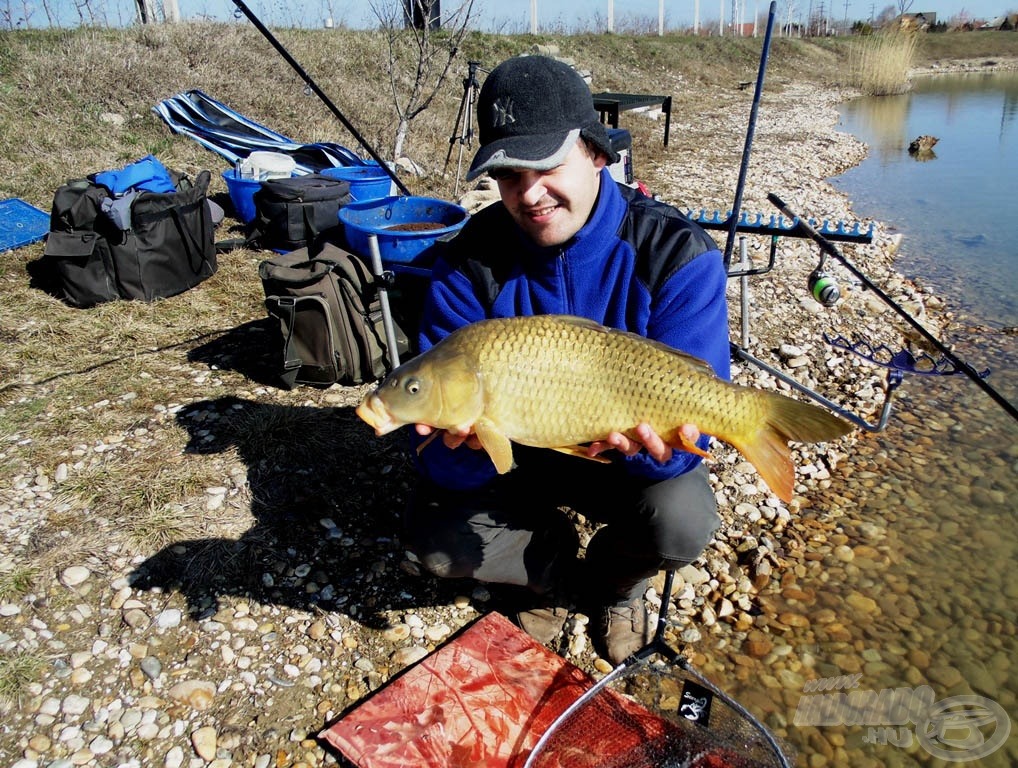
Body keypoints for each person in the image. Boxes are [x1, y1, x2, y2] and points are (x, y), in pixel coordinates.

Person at [403, 54, 730, 665]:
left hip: (624, 459)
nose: (529, 194)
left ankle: (614, 585)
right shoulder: (463, 267)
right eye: (507, 174)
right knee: (436, 544)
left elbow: (690, 436)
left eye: (547, 165)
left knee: (682, 520)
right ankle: (547, 570)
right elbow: (432, 459)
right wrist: (459, 451)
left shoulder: (677, 252)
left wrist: (649, 456)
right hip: (519, 455)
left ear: (597, 153)